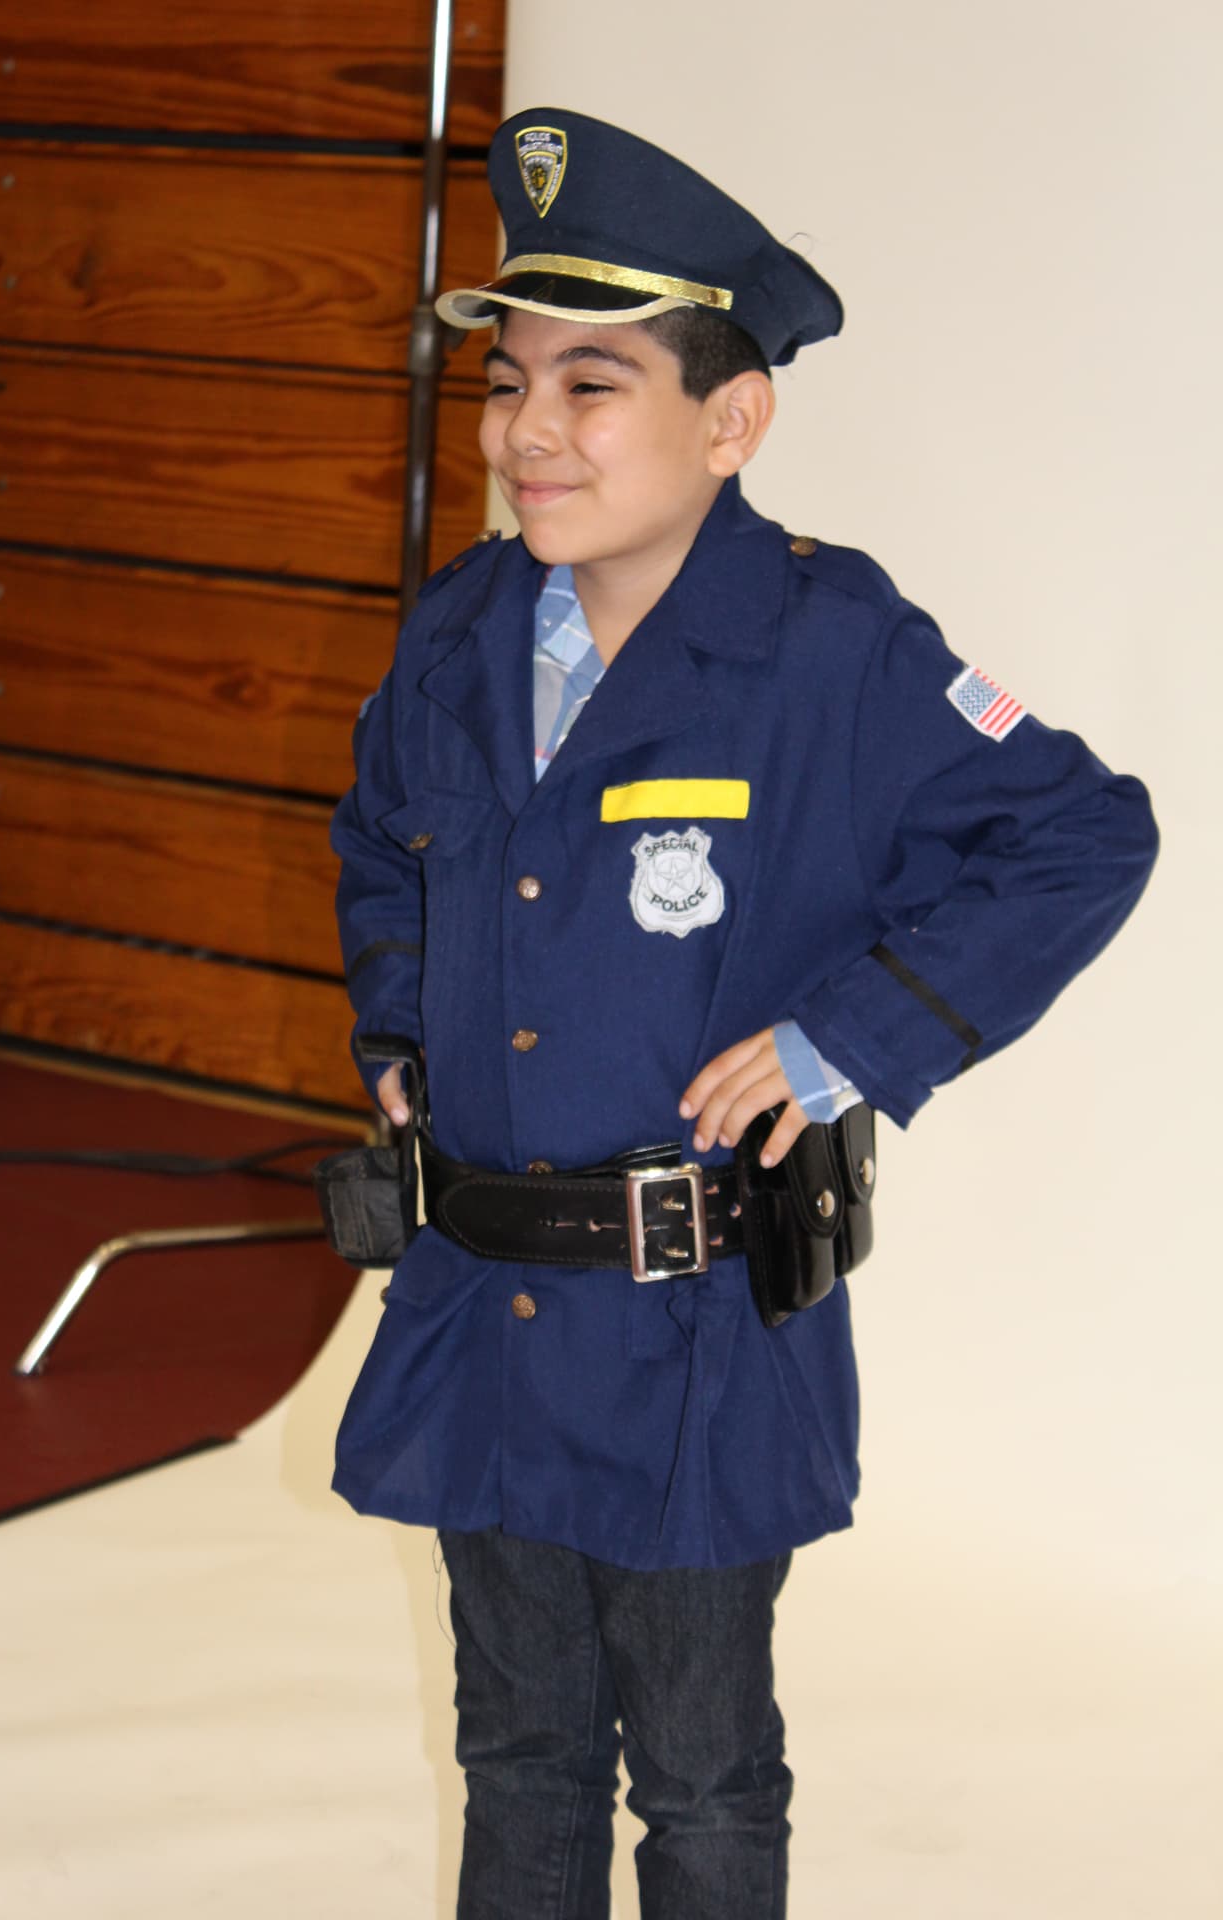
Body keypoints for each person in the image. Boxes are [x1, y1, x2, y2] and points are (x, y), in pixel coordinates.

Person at [328, 106, 1158, 1920]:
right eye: (507, 382)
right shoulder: (457, 634)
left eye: (595, 384)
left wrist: (846, 1040)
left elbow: (1084, 832)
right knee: (517, 1754)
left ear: (733, 419)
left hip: (692, 1337)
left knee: (702, 1782)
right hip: (485, 1313)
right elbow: (383, 841)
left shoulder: (829, 648)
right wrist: (398, 1033)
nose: (529, 430)